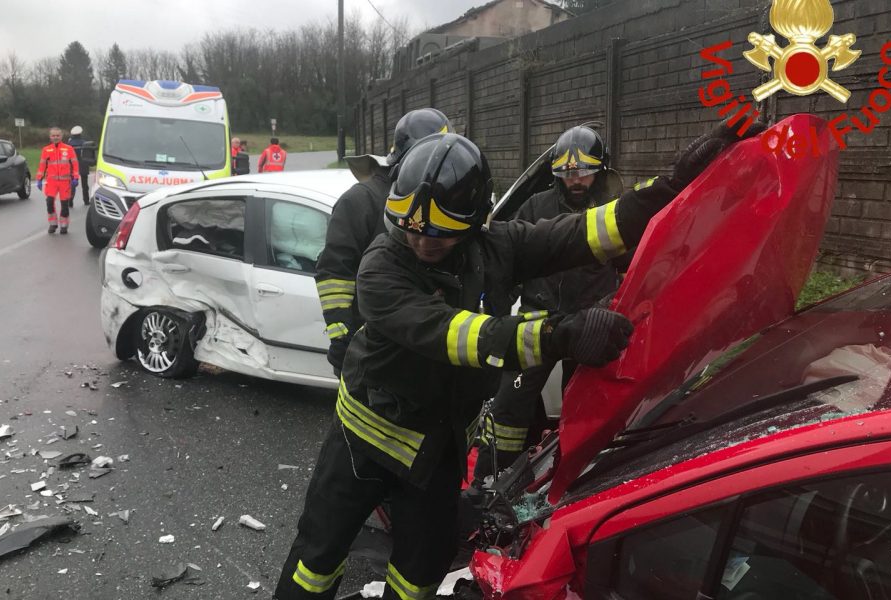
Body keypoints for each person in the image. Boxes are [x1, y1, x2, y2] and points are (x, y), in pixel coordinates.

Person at [275, 121, 760, 600]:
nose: (422, 243)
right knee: (317, 559)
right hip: (365, 444)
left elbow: (587, 232)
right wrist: (560, 335)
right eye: (411, 232)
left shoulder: (494, 247)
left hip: (438, 447)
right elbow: (459, 335)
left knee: (419, 574)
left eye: (440, 237)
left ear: (473, 225)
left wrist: (674, 185)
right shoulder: (381, 268)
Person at [472, 125, 624, 483]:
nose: (575, 180)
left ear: (599, 170)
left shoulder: (612, 209)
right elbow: (509, 259)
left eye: (583, 172)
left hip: (590, 324)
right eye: (568, 173)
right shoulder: (535, 207)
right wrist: (497, 299)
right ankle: (490, 479)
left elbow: (630, 261)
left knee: (585, 406)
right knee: (509, 407)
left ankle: (575, 477)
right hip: (537, 323)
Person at [314, 108, 453, 375]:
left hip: (425, 341)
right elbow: (333, 274)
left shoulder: (431, 203)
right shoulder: (359, 202)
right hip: (372, 345)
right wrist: (342, 336)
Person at [36, 127, 80, 235]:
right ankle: (53, 224)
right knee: (49, 202)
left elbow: (75, 164)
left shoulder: (68, 149)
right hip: (51, 182)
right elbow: (42, 165)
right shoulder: (46, 150)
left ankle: (64, 226)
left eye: (57, 135)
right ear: (50, 137)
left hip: (65, 182)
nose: (55, 137)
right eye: (53, 135)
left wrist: (75, 177)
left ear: (61, 136)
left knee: (64, 205)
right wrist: (39, 179)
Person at [66, 125, 91, 207]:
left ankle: (70, 200)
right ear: (80, 133)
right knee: (84, 184)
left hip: (72, 165)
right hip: (83, 164)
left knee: (72, 183)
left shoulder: (69, 143)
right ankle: (86, 200)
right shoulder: (85, 143)